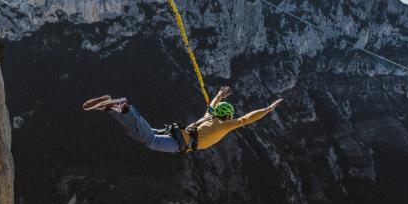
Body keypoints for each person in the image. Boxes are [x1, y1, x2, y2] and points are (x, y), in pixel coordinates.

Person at [83, 86, 283, 154]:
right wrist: (267, 109)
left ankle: (114, 109)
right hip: (179, 142)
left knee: (142, 134)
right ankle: (125, 107)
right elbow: (246, 119)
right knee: (150, 141)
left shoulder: (210, 116)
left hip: (178, 133)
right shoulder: (223, 125)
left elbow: (212, 105)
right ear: (228, 116)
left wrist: (220, 95)